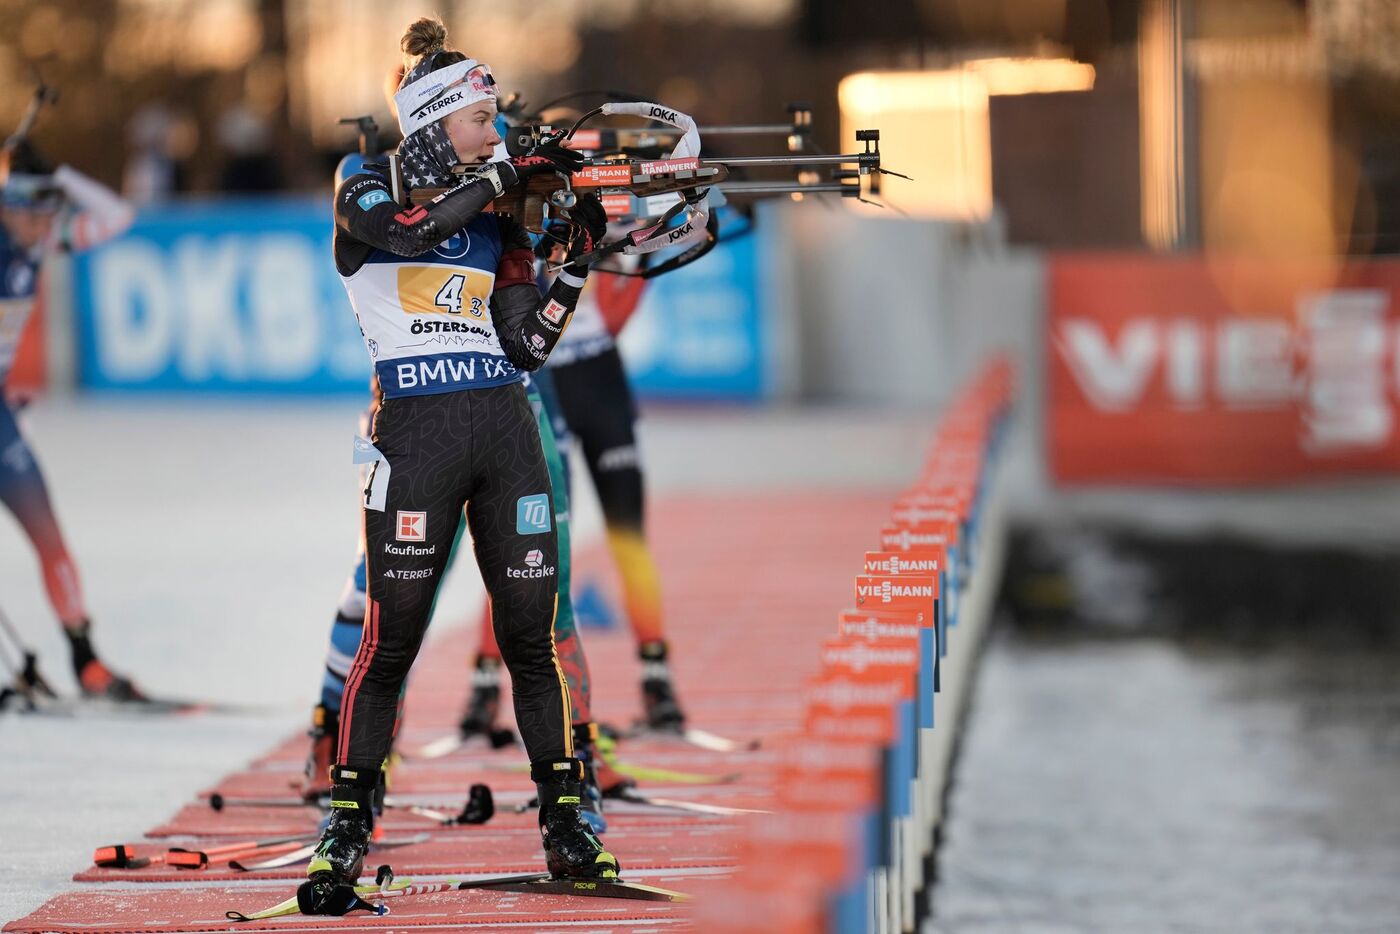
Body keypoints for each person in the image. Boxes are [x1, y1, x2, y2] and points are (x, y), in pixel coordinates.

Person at [300, 16, 617, 913]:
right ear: (433, 123)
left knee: (530, 637)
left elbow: (526, 349)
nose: (497, 133)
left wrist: (572, 266)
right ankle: (346, 824)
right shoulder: (364, 180)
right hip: (416, 438)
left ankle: (566, 818)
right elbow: (406, 233)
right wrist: (502, 181)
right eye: (482, 120)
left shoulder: (496, 218)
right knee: (391, 639)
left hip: (506, 433)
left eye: (498, 122)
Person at [0, 138, 138, 699]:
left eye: (48, 212)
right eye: (33, 213)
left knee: (49, 537)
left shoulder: (38, 244)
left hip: (3, 420)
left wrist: (59, 170)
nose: (43, 224)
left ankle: (86, 661)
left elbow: (117, 216)